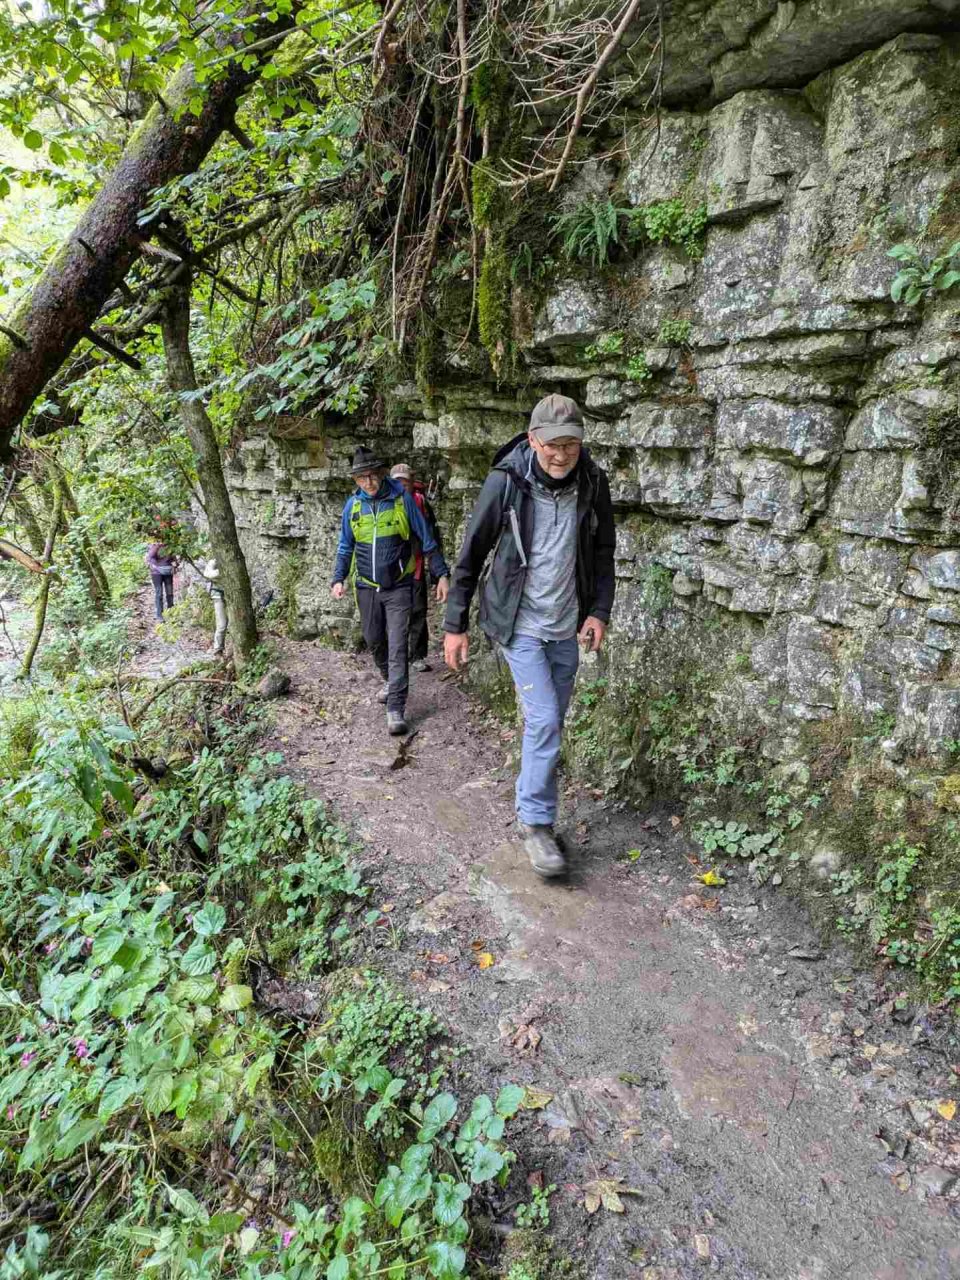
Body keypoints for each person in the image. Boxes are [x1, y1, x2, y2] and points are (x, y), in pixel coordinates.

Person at [442, 394, 615, 878]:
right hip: (519, 622)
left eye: (571, 445)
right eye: (552, 445)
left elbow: (604, 554)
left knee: (551, 721)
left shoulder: (593, 483)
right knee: (544, 721)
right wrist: (455, 625)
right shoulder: (507, 482)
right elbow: (471, 554)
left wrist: (598, 612)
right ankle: (537, 825)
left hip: (566, 625)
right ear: (533, 439)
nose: (561, 455)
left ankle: (532, 806)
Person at [331, 446, 451, 736]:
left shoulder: (401, 500)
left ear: (382, 474)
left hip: (399, 586)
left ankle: (396, 707)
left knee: (398, 646)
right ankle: (390, 679)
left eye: (372, 476)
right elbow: (345, 545)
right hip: (366, 587)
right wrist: (338, 578)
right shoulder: (354, 507)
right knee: (374, 640)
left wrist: (441, 574)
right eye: (362, 478)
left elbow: (426, 537)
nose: (368, 482)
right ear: (356, 480)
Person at [390, 463, 444, 672]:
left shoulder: (420, 503)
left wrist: (437, 571)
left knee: (418, 611)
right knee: (395, 613)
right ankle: (397, 656)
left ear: (412, 483)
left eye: (405, 482)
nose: (402, 486)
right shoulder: (386, 503)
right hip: (392, 570)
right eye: (398, 482)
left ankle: (416, 656)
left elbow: (432, 536)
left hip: (417, 565)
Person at [145, 532, 178, 620]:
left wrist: (174, 565)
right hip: (156, 573)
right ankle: (160, 615)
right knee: (159, 593)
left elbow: (174, 560)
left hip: (167, 572)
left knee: (169, 593)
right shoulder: (154, 546)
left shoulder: (170, 547)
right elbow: (150, 557)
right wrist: (157, 546)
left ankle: (171, 613)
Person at [202, 557, 228, 655]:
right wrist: (222, 571)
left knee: (233, 622)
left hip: (231, 595)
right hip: (218, 595)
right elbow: (208, 574)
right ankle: (218, 649)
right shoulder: (214, 562)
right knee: (222, 624)